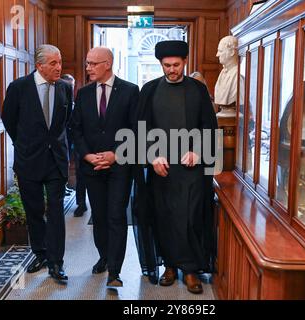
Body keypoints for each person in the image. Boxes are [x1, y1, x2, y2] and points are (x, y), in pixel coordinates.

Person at [133, 40, 218, 294]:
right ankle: (169, 266)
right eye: (167, 65)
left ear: (184, 62)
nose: (172, 70)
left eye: (176, 65)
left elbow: (209, 127)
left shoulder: (198, 90)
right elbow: (141, 129)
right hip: (162, 169)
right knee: (164, 217)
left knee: (190, 218)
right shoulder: (149, 90)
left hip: (191, 169)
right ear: (160, 64)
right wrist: (152, 157)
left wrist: (197, 151)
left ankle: (190, 269)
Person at [2, 44, 73, 282]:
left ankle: (56, 263)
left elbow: (65, 122)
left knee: (56, 212)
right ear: (39, 65)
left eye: (60, 62)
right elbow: (9, 120)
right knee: (34, 211)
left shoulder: (65, 88)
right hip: (29, 160)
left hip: (56, 160)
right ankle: (40, 254)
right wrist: (25, 144)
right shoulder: (19, 88)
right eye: (53, 63)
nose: (58, 67)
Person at [70, 47, 139, 287]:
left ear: (107, 64)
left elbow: (137, 131)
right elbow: (76, 129)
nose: (87, 68)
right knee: (98, 216)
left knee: (116, 216)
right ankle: (104, 256)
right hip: (92, 167)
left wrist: (115, 155)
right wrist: (88, 155)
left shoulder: (130, 91)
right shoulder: (84, 93)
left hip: (120, 167)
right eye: (87, 63)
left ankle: (115, 271)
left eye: (92, 63)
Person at [60, 74, 78, 198]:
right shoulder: (60, 98)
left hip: (72, 138)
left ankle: (65, 186)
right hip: (62, 137)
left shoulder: (73, 100)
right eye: (69, 85)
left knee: (69, 163)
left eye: (72, 85)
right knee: (63, 162)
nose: (71, 88)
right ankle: (62, 187)